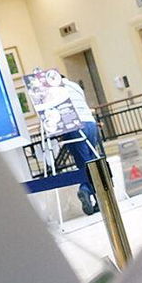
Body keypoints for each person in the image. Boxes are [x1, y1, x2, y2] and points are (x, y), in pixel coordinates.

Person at [34, 68, 106, 215]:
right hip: (91, 123)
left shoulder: (54, 89)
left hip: (73, 125)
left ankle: (85, 190)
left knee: (83, 164)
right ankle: (98, 200)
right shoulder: (75, 86)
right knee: (91, 160)